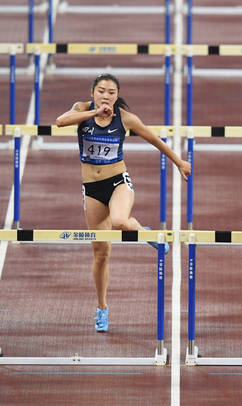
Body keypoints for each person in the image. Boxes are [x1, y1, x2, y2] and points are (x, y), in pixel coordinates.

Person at [55, 73, 191, 332]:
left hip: (118, 182)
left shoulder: (125, 119)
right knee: (100, 253)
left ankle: (141, 232)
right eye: (101, 91)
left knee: (118, 221)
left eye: (111, 92)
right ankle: (102, 308)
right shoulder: (81, 109)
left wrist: (179, 162)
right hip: (92, 189)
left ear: (117, 96)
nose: (106, 96)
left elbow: (154, 139)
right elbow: (61, 121)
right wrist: (93, 112)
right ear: (93, 92)